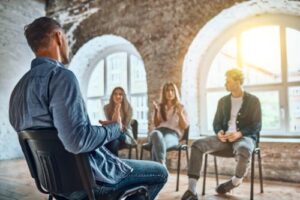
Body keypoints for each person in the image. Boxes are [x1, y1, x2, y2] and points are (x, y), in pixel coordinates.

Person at [9, 17, 167, 200]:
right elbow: (77, 141)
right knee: (160, 172)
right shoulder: (61, 77)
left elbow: (46, 136)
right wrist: (114, 127)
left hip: (55, 186)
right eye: (67, 39)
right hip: (85, 182)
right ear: (59, 37)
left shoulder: (18, 89)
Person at [181, 68, 262, 200]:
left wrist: (239, 133)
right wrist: (219, 132)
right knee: (197, 145)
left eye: (228, 81)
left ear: (237, 81)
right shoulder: (223, 101)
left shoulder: (253, 101)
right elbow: (216, 123)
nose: (225, 83)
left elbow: (256, 125)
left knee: (244, 149)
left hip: (244, 138)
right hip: (224, 139)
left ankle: (235, 181)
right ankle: (191, 190)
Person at [149, 82, 189, 166]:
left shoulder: (180, 107)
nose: (170, 93)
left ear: (175, 92)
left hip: (172, 134)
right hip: (158, 132)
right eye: (167, 91)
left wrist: (180, 114)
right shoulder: (160, 106)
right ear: (164, 93)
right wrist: (156, 111)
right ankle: (162, 168)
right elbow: (156, 125)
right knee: (155, 133)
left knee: (155, 147)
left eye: (172, 90)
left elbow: (185, 126)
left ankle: (160, 169)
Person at [101, 86, 137, 156]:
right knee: (114, 142)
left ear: (123, 96)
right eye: (115, 94)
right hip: (113, 135)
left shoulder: (129, 108)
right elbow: (111, 125)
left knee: (110, 138)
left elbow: (123, 127)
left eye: (120, 94)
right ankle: (113, 163)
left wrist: (118, 107)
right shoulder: (107, 108)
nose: (118, 96)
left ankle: (110, 163)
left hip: (125, 134)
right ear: (112, 96)